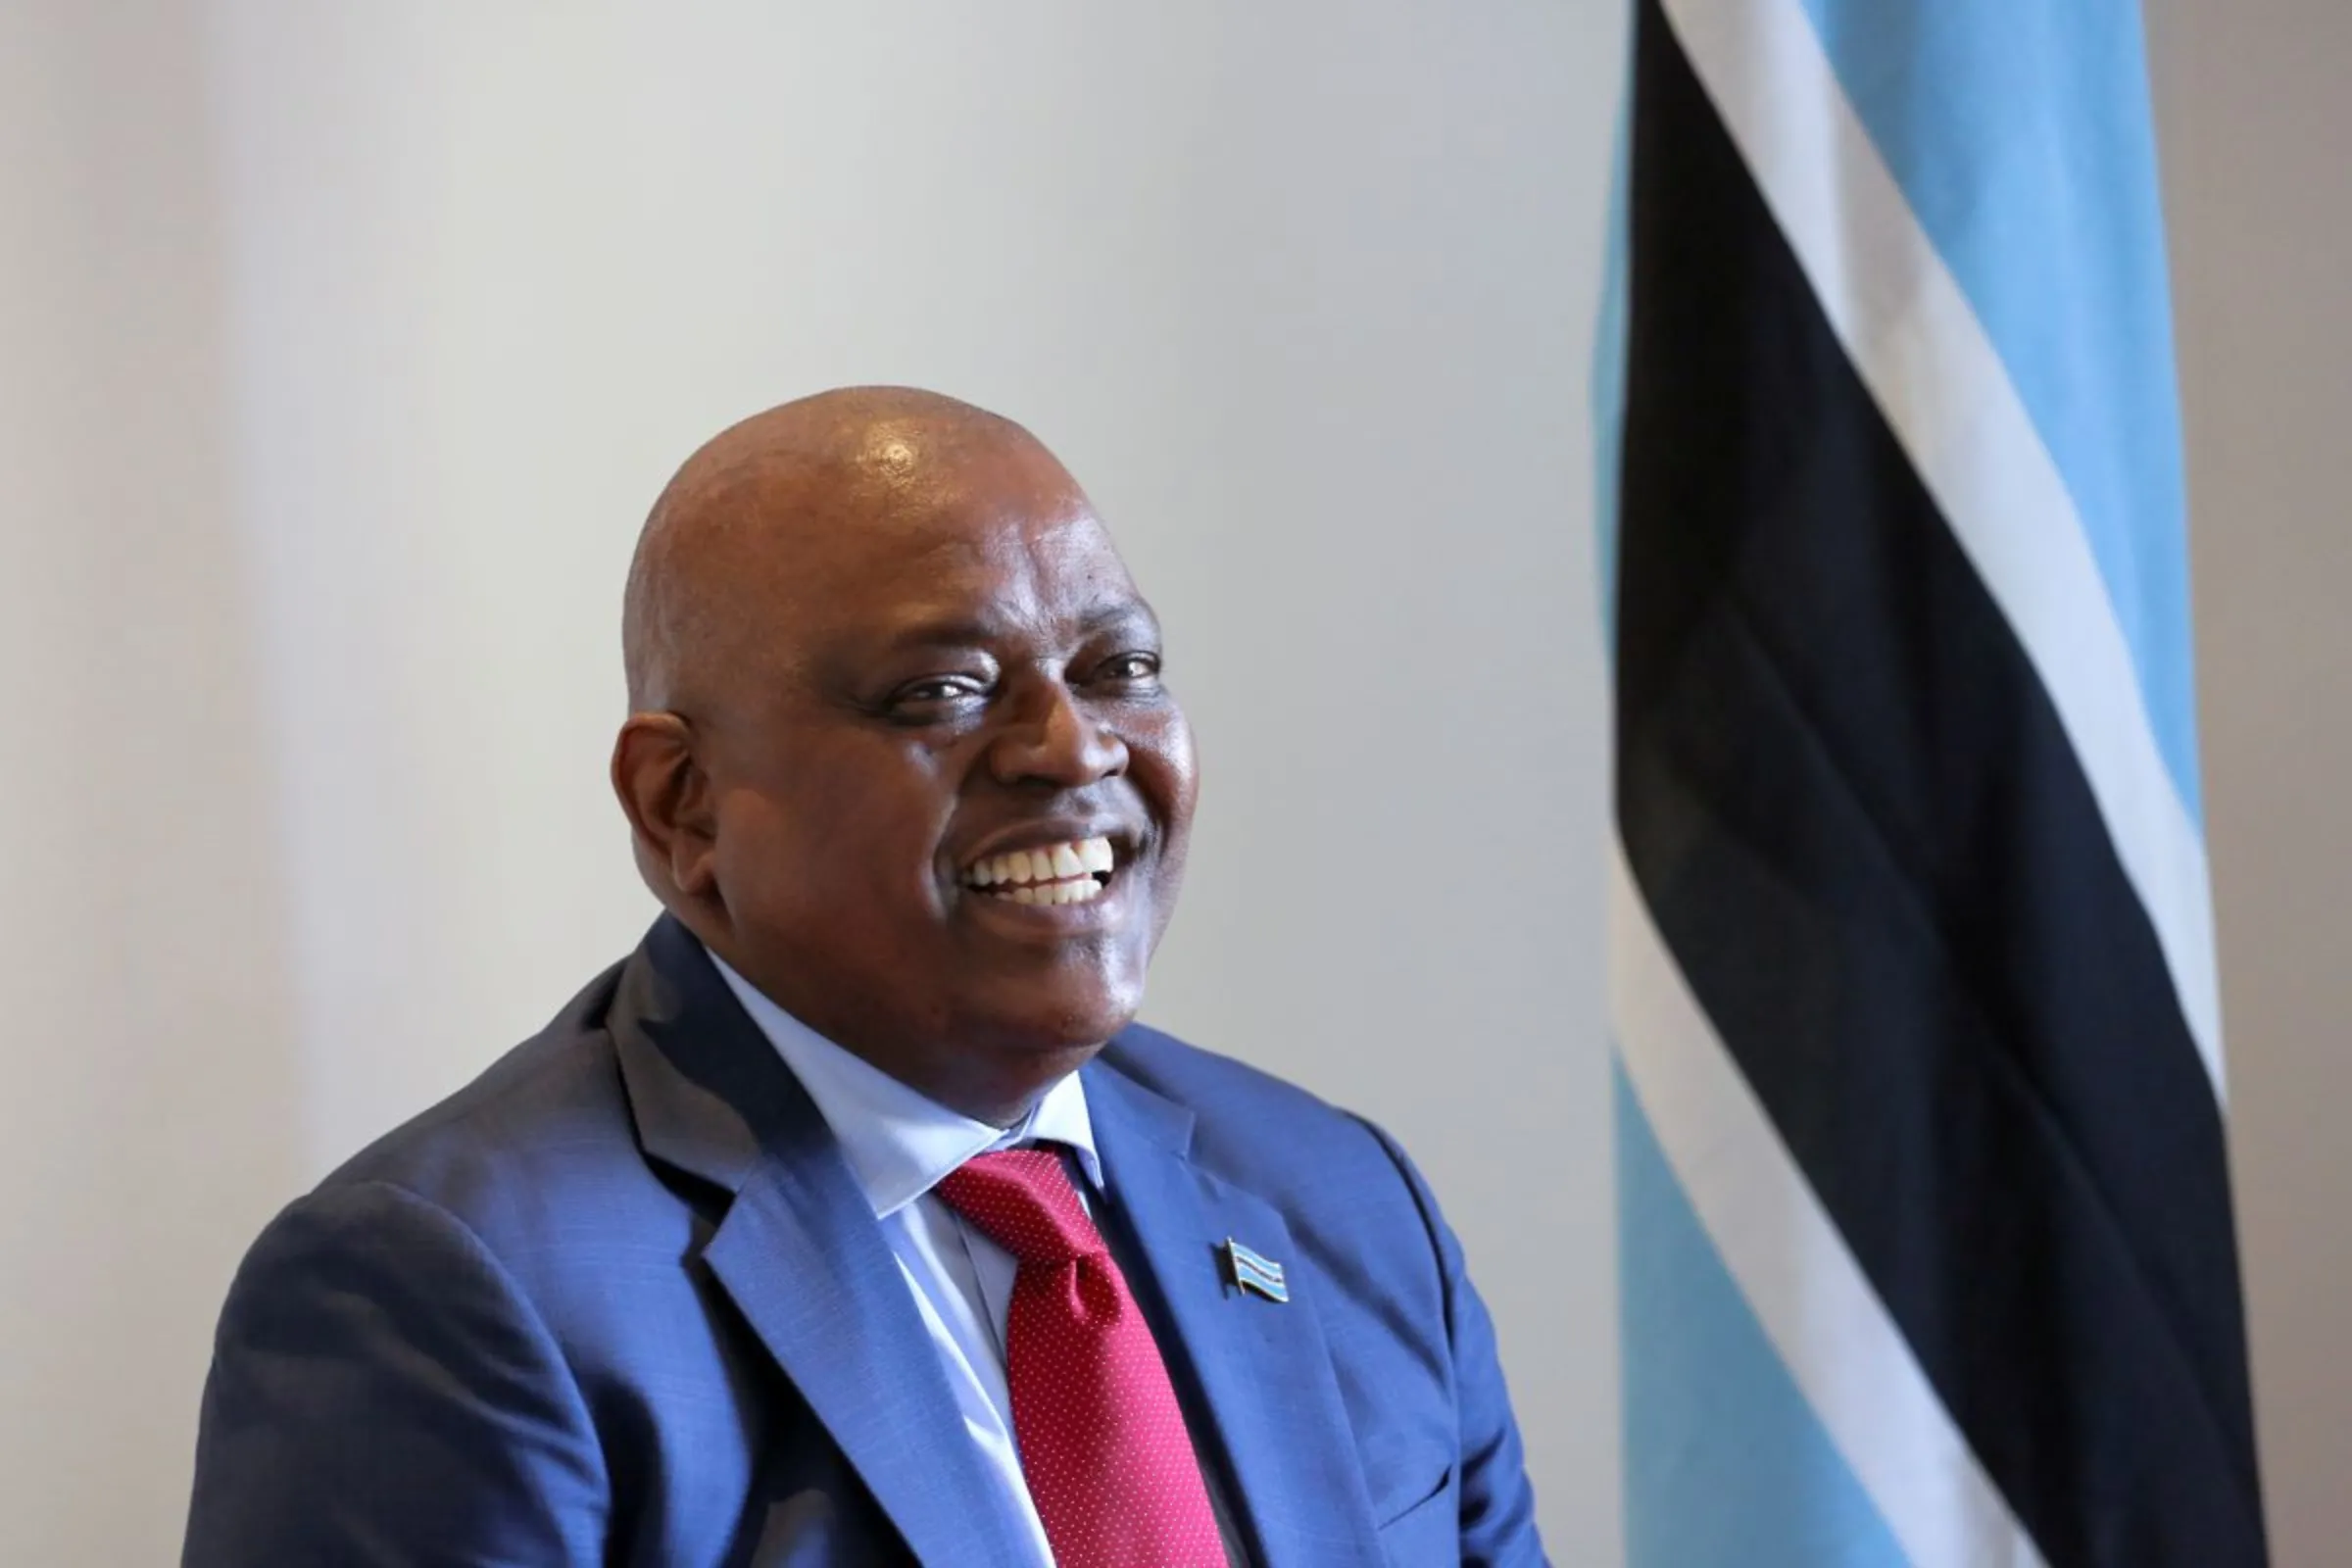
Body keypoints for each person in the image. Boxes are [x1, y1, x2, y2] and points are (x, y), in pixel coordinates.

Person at [181, 387, 1545, 1567]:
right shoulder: (462, 1293)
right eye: (942, 691)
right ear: (685, 807)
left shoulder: (1343, 1203)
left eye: (1118, 667)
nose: (1073, 750)